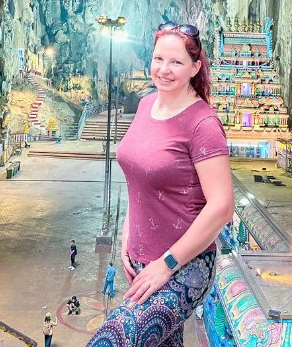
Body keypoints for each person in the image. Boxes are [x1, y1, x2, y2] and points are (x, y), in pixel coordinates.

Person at [86, 21, 234, 346]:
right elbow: (140, 179)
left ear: (195, 67)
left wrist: (166, 265)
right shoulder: (145, 105)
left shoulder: (203, 124)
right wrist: (127, 234)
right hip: (141, 260)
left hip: (184, 266)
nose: (164, 70)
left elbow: (222, 206)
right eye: (158, 59)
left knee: (112, 340)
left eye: (176, 62)